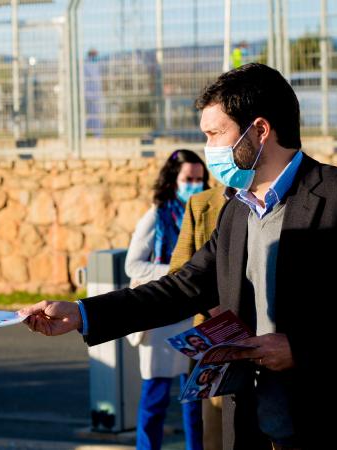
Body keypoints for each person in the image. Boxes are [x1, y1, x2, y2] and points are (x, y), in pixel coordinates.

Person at [20, 63, 337, 449]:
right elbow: (183, 287)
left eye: (216, 133)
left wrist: (302, 349)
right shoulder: (236, 210)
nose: (210, 149)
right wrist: (81, 313)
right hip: (256, 425)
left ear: (259, 130)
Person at [123, 149, 206, 450]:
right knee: (155, 398)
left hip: (192, 314)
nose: (194, 184)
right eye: (188, 179)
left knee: (195, 399)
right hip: (158, 317)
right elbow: (133, 265)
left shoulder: (204, 212)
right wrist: (177, 271)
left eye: (199, 179)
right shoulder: (156, 216)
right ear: (173, 180)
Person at [169, 185, 235, 450]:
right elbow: (178, 274)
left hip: (272, 345)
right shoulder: (201, 204)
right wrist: (212, 307)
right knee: (216, 435)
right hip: (217, 341)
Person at [84, 49, 104, 138]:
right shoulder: (88, 65)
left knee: (93, 115)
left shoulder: (95, 65)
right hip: (91, 94)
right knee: (94, 115)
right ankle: (97, 134)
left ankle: (95, 133)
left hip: (94, 94)